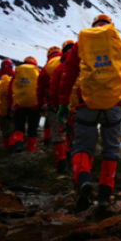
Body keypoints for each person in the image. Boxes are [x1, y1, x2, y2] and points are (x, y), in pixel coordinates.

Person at [58, 15, 121, 211]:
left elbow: (68, 76)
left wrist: (62, 103)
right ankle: (104, 195)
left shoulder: (81, 45)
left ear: (93, 27)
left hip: (86, 104)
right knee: (110, 149)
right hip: (114, 105)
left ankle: (84, 181)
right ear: (111, 27)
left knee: (82, 147)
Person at [48, 40, 75, 173]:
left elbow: (53, 89)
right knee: (74, 133)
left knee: (59, 133)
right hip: (78, 106)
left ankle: (61, 164)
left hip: (61, 106)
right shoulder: (83, 62)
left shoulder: (59, 68)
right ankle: (76, 164)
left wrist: (54, 104)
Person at [7, 56, 41, 154]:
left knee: (19, 127)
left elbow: (10, 90)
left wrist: (11, 105)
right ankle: (31, 151)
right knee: (33, 129)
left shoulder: (18, 72)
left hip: (20, 105)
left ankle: (19, 144)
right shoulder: (38, 72)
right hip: (35, 106)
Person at [37, 46, 62, 147]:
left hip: (54, 103)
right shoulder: (69, 61)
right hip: (72, 102)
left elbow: (40, 89)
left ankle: (59, 158)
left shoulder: (46, 67)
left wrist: (40, 105)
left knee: (57, 130)